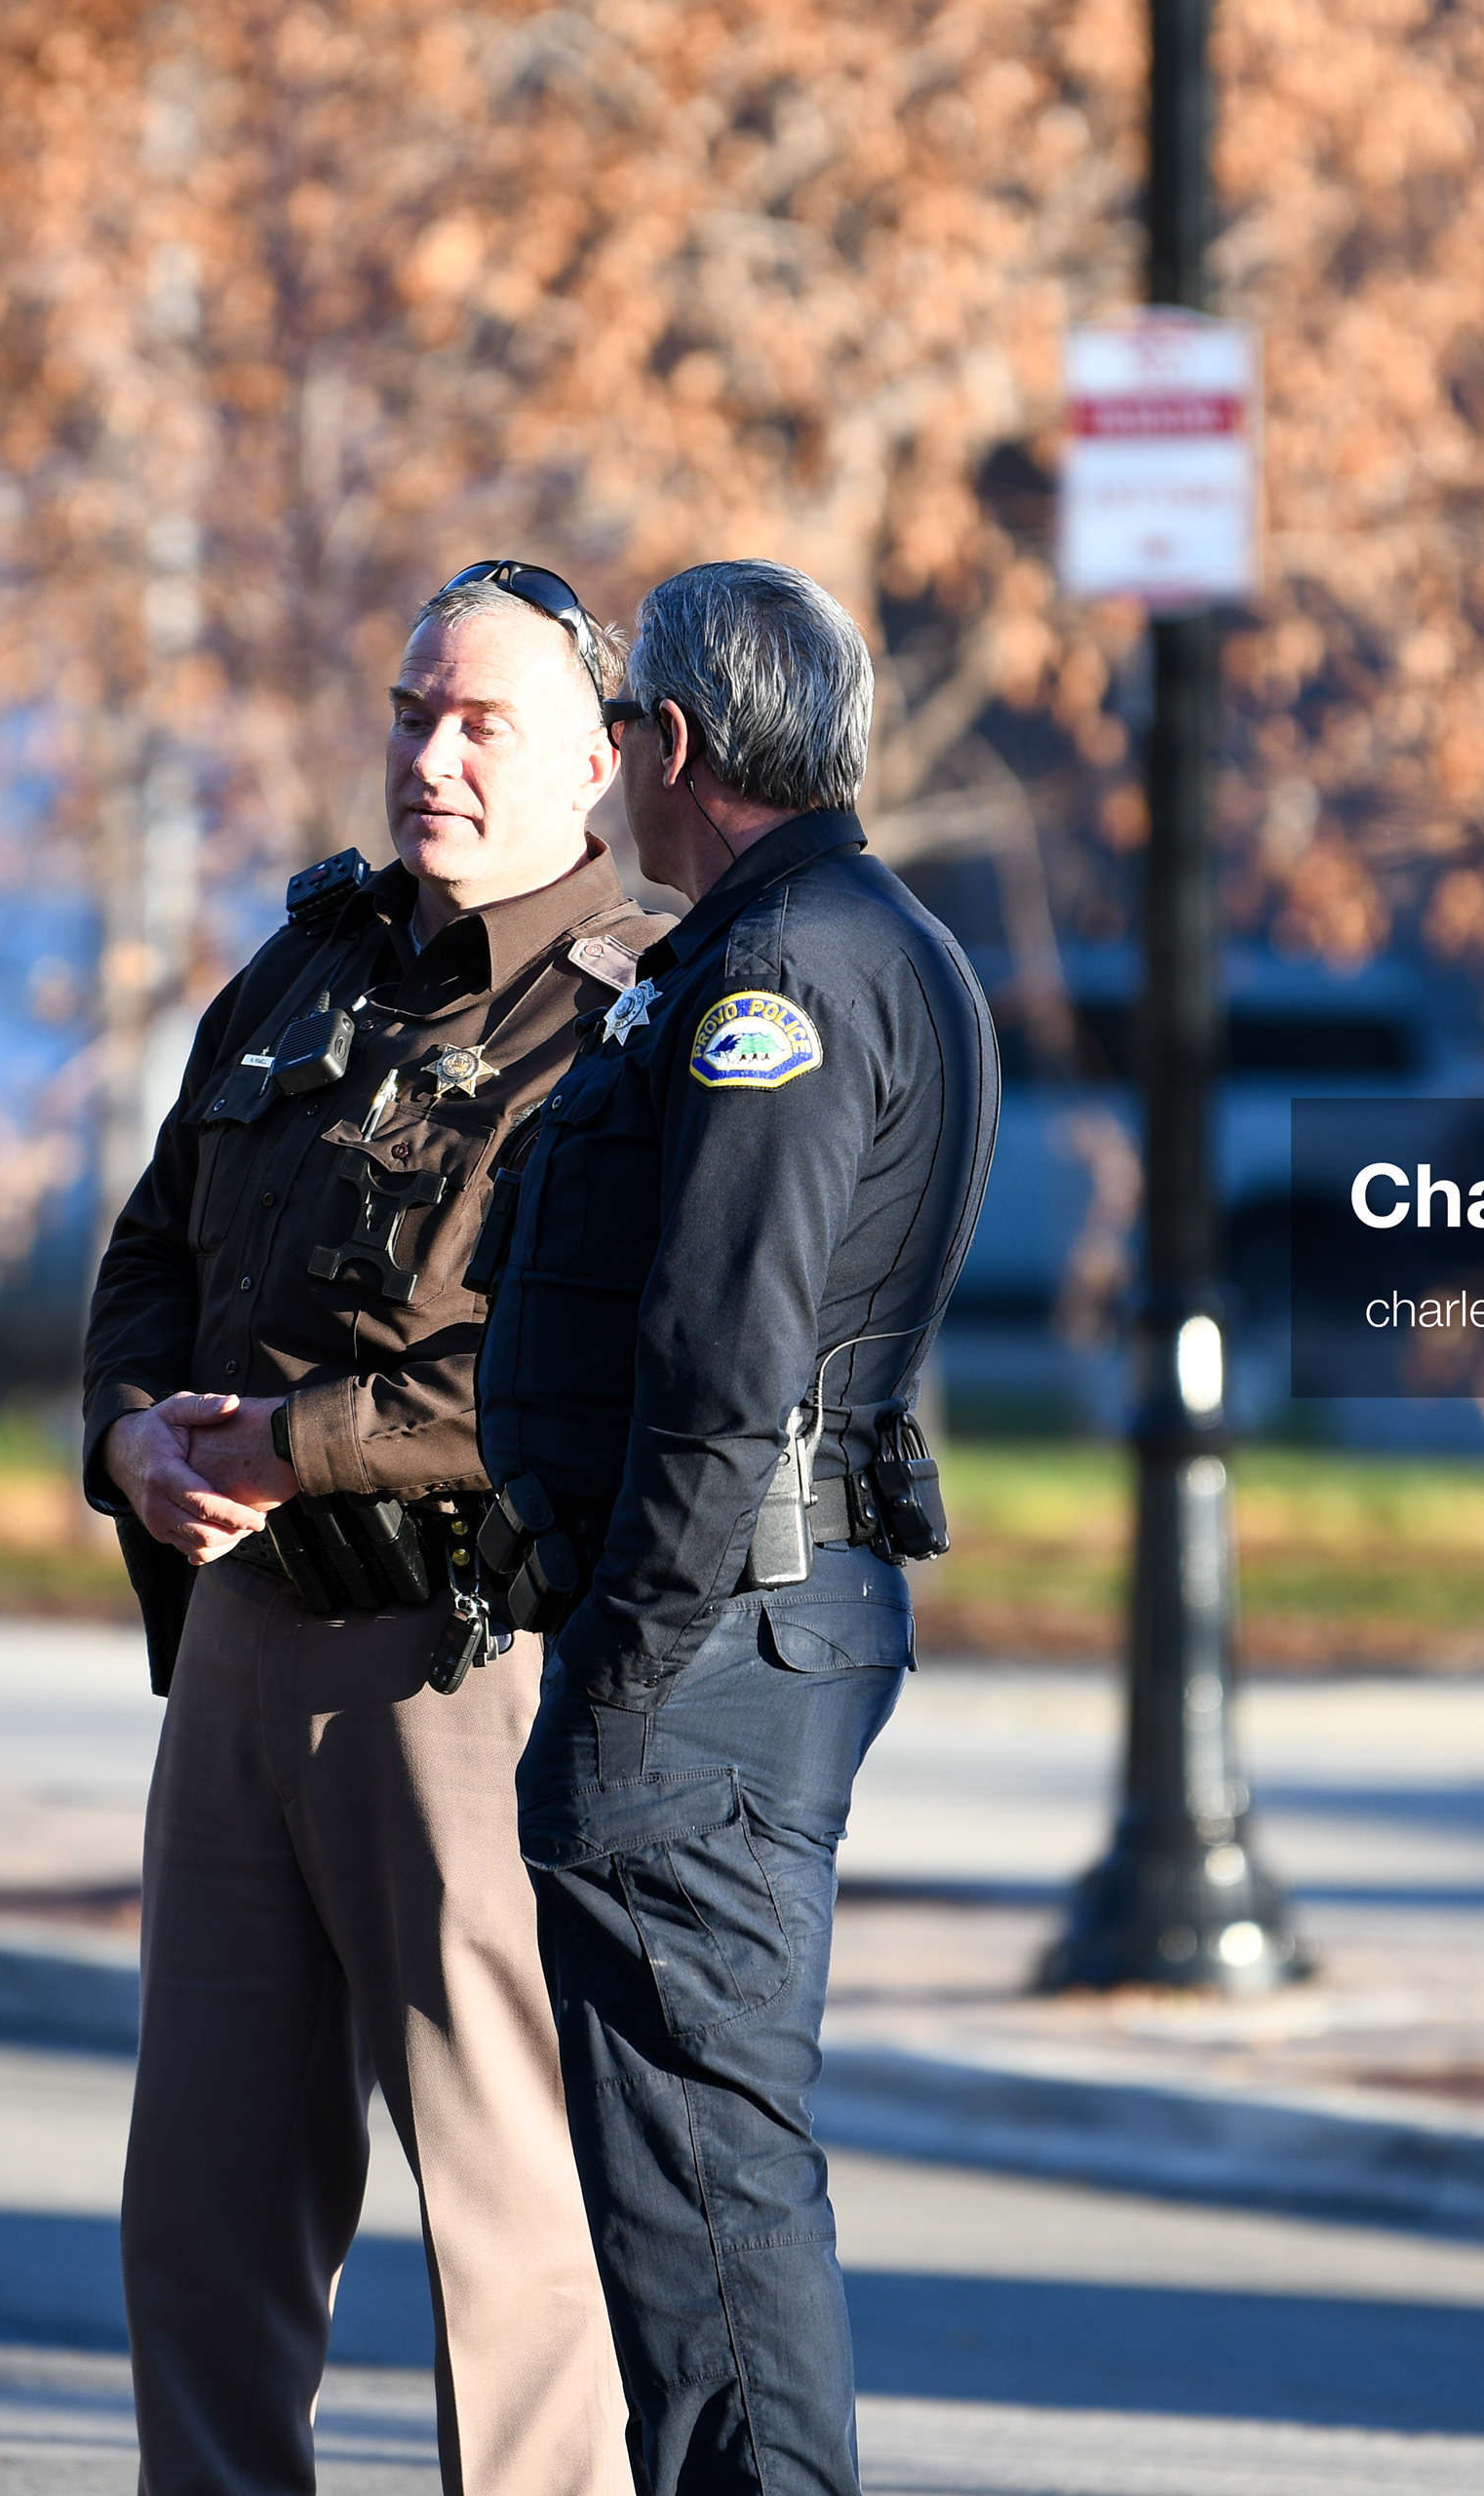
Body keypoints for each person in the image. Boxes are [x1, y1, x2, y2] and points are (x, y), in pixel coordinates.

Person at [83, 561, 668, 2496]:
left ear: (596, 761)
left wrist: (306, 1437)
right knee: (206, 2200)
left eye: (482, 722)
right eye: (415, 712)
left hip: (458, 1668)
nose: (432, 753)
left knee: (508, 2217)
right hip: (240, 1644)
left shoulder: (633, 1020)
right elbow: (156, 1243)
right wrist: (130, 1435)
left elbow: (569, 1374)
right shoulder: (305, 968)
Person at [470, 559, 997, 2495]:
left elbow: (719, 1361)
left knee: (702, 2192)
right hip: (755, 1622)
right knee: (698, 2183)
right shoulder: (843, 934)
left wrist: (613, 1677)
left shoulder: (776, 980)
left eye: (617, 739)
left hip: (715, 1646)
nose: (608, 780)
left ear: (672, 742)